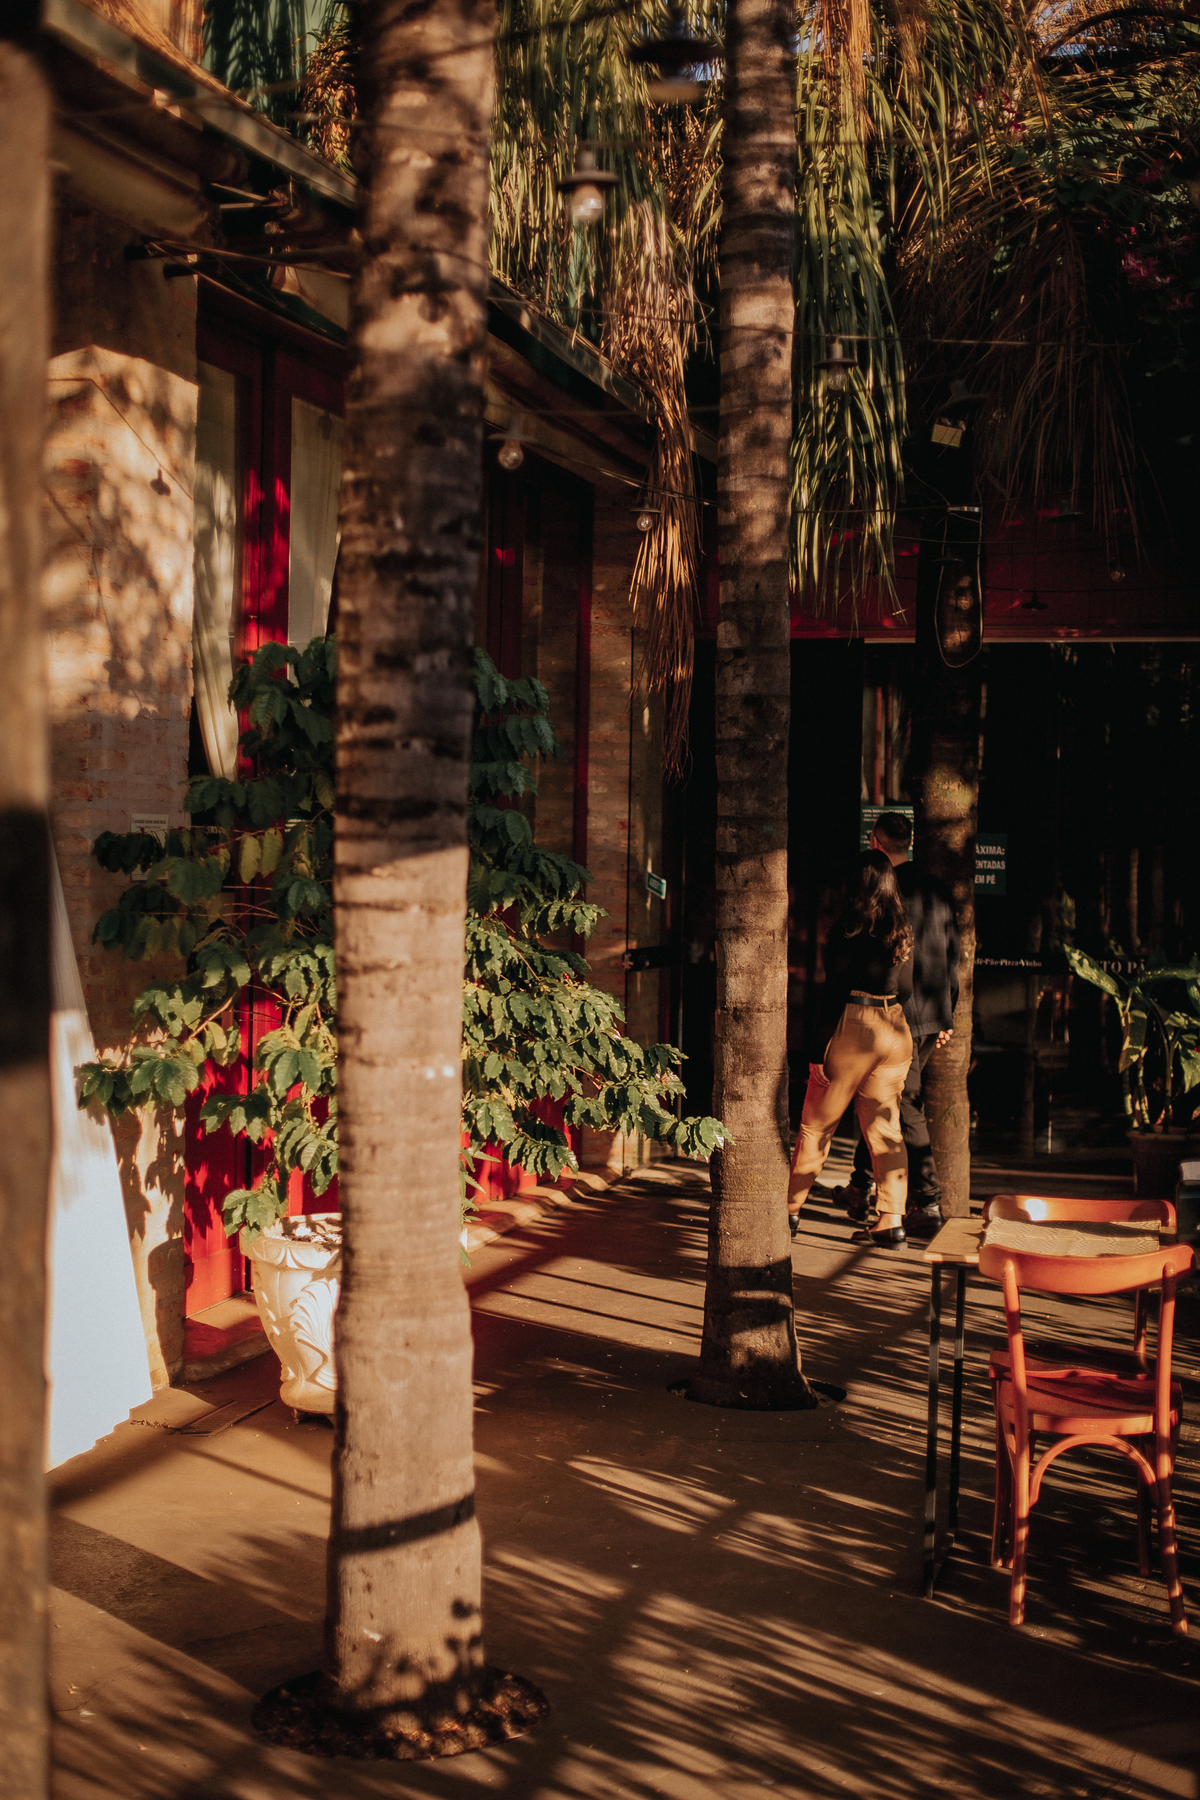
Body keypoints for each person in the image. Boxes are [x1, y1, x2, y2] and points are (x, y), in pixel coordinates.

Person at [832, 811, 959, 1241]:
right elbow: (953, 953)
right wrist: (948, 1011)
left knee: (902, 1107)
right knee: (883, 1099)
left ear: (875, 841)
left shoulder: (884, 889)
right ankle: (861, 1185)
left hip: (897, 1014)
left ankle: (928, 1201)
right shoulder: (938, 888)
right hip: (930, 1014)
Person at [787, 851, 915, 1248]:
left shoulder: (848, 928)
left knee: (816, 1126)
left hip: (854, 1025)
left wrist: (816, 1051)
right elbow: (908, 988)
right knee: (886, 1129)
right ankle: (891, 1221)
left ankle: (789, 1210)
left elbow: (833, 994)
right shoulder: (901, 929)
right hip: (895, 1028)